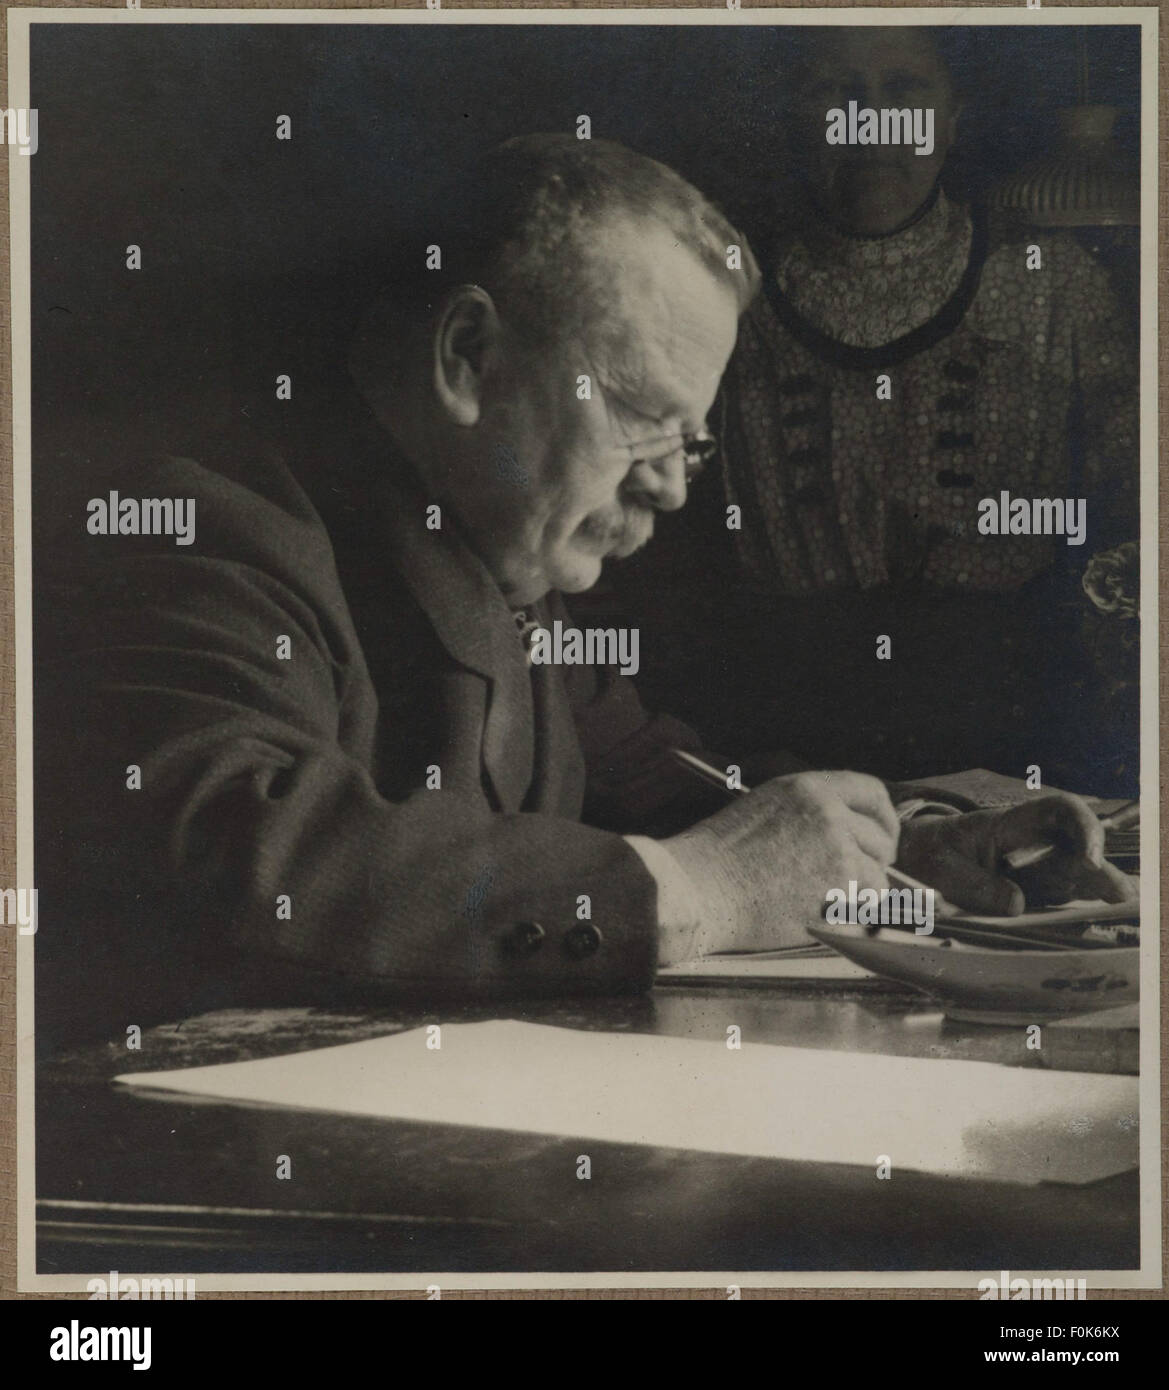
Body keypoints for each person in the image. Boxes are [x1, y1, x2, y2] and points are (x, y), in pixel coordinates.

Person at [33, 135, 1132, 1043]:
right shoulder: (202, 521)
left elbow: (669, 788)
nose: (668, 487)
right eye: (640, 417)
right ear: (466, 357)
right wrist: (695, 894)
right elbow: (228, 848)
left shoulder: (504, 561)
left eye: (691, 444)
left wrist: (903, 857)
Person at [604, 28, 1139, 788]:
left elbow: (1134, 514)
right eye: (836, 91)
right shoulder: (722, 298)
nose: (870, 124)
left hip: (1014, 723)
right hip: (777, 726)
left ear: (952, 119)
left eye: (904, 91)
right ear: (795, 117)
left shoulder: (1053, 282)